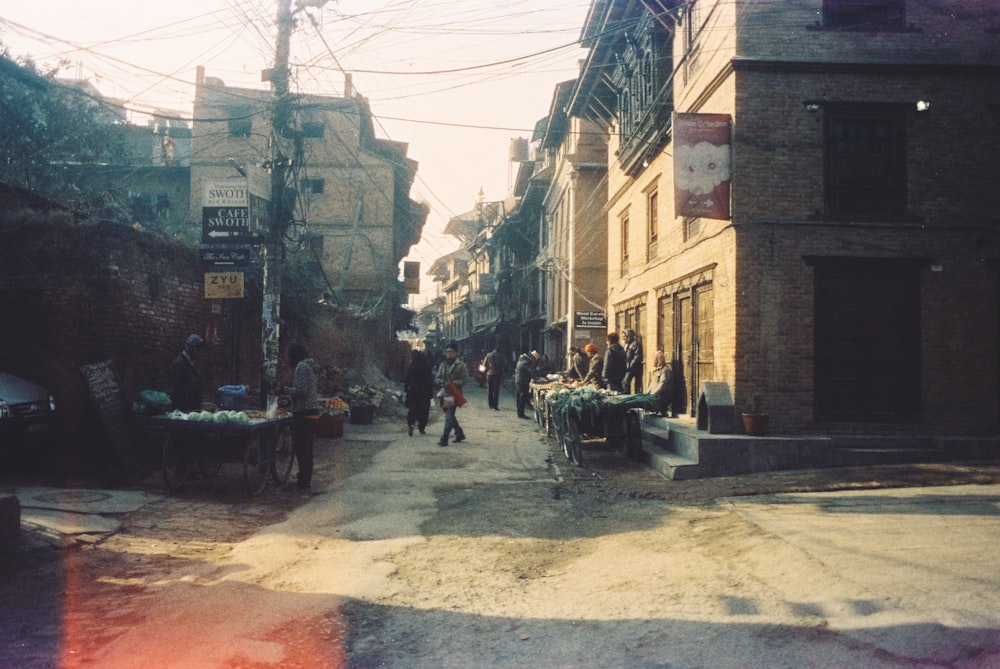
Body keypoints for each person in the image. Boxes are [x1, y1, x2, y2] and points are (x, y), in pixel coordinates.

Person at [285, 343, 320, 491]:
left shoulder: (301, 367)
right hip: (311, 412)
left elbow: (301, 390)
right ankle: (304, 479)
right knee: (307, 450)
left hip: (303, 413)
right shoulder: (310, 366)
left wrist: (285, 389)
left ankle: (303, 483)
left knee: (301, 450)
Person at [434, 342, 468, 446]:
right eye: (447, 352)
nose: (448, 354)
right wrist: (440, 382)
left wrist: (453, 384)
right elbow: (437, 377)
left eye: (451, 352)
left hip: (454, 394)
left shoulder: (461, 365)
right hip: (444, 394)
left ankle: (444, 439)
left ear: (455, 353)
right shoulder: (443, 364)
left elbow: (464, 380)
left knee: (449, 417)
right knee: (450, 416)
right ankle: (459, 433)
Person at [169, 334, 204, 411]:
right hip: (183, 407)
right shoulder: (179, 363)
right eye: (197, 349)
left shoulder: (193, 363)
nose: (199, 353)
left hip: (192, 406)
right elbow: (177, 388)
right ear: (191, 348)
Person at [403, 350, 434, 436]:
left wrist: (405, 389)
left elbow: (407, 378)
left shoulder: (412, 366)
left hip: (413, 392)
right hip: (424, 393)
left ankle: (411, 424)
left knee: (412, 410)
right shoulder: (427, 367)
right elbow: (430, 381)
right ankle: (422, 428)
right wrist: (431, 394)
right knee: (424, 412)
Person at [514, 350, 540, 418]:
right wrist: (537, 372)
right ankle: (521, 414)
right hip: (523, 382)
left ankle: (520, 413)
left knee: (519, 397)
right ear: (532, 358)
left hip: (518, 381)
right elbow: (532, 371)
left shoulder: (521, 360)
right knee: (522, 398)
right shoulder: (527, 362)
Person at [648, 349, 674, 416]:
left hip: (662, 396)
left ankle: (662, 410)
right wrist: (648, 393)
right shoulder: (655, 371)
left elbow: (662, 385)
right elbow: (652, 383)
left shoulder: (665, 371)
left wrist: (654, 394)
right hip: (655, 395)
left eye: (654, 359)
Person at [622, 329, 644, 394]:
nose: (623, 338)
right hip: (628, 367)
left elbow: (637, 356)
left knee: (633, 383)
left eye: (625, 336)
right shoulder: (626, 345)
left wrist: (631, 365)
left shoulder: (635, 344)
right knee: (625, 383)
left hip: (634, 367)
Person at [482, 345, 505, 411]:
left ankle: (490, 405)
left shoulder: (488, 355)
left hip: (489, 374)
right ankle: (495, 406)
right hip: (497, 374)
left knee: (490, 390)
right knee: (496, 390)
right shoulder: (501, 356)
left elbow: (484, 365)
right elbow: (503, 366)